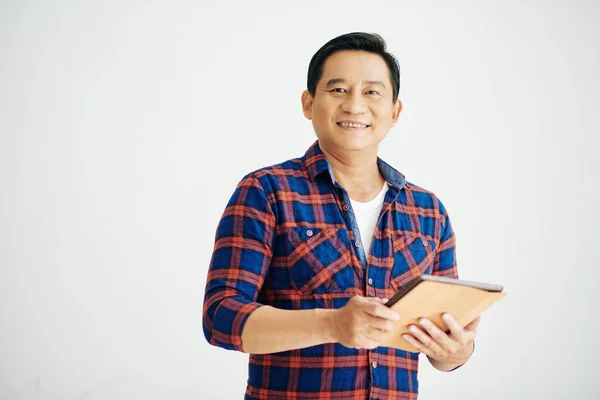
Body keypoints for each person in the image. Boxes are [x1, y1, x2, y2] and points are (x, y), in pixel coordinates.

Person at [202, 32, 480, 399]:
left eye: (372, 92)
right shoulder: (267, 191)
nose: (354, 105)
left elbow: (444, 342)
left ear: (394, 112)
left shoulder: (427, 211)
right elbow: (221, 317)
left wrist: (456, 353)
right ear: (308, 102)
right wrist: (332, 324)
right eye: (337, 90)